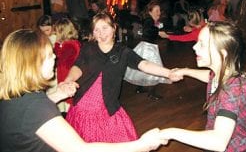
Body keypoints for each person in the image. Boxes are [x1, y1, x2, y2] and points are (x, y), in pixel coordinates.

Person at [0, 29, 168, 152]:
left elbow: (26, 117)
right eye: (49, 54)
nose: (55, 57)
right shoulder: (36, 106)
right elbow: (80, 149)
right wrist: (140, 145)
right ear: (32, 62)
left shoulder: (14, 95)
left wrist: (57, 95)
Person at [64, 11, 181, 143]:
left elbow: (144, 64)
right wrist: (68, 80)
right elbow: (78, 67)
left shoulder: (123, 52)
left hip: (108, 106)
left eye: (104, 28)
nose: (101, 33)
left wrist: (168, 73)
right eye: (96, 30)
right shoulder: (88, 48)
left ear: (114, 28)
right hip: (83, 106)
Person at [159, 21, 246, 152]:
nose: (195, 47)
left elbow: (218, 141)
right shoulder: (224, 72)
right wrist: (185, 71)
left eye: (202, 44)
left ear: (222, 53)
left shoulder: (231, 90)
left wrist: (170, 133)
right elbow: (210, 76)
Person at [124, 0, 170, 100]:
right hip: (148, 48)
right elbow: (147, 32)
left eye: (159, 10)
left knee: (143, 69)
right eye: (156, 10)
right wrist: (157, 31)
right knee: (155, 69)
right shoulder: (149, 21)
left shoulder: (151, 20)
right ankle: (151, 93)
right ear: (150, 11)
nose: (159, 13)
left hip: (148, 46)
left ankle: (140, 88)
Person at [53, 18, 81, 114]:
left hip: (68, 73)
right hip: (65, 72)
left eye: (56, 32)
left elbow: (59, 57)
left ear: (62, 32)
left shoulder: (70, 45)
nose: (55, 34)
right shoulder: (69, 43)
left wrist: (57, 44)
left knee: (70, 97)